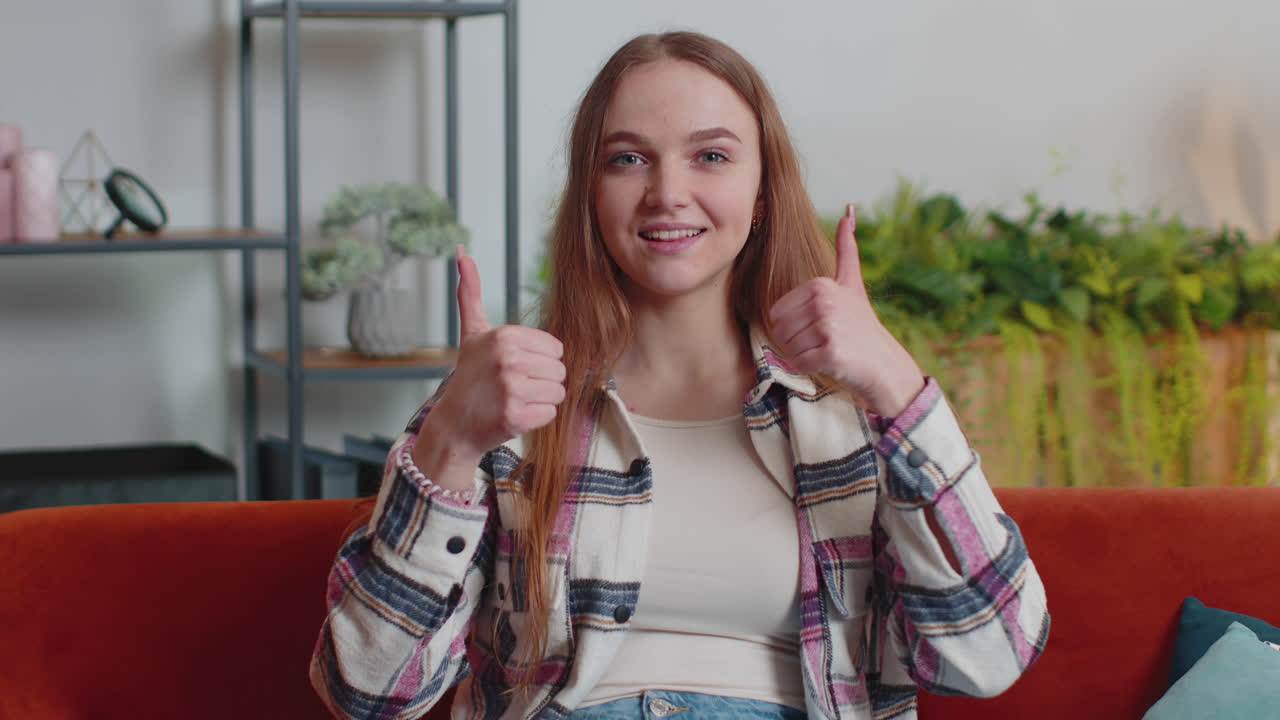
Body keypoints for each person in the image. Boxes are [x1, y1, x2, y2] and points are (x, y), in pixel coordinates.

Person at [310, 30, 1049, 720]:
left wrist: (896, 382)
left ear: (762, 195)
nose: (667, 192)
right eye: (627, 158)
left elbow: (989, 655)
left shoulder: (854, 407)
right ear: (591, 196)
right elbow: (366, 692)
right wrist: (452, 441)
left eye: (711, 156)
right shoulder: (505, 397)